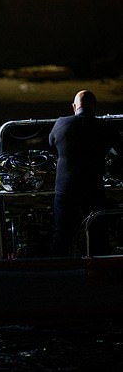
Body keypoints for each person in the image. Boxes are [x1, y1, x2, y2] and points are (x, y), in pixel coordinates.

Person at [49, 90, 122, 256]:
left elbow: (51, 143)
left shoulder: (61, 123)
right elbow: (120, 151)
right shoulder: (106, 127)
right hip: (93, 188)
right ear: (95, 107)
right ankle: (100, 268)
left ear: (74, 107)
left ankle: (56, 270)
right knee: (98, 233)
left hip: (65, 189)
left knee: (62, 233)